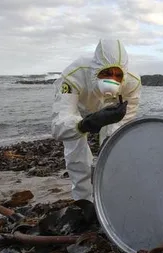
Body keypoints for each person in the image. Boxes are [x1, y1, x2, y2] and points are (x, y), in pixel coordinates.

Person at [51, 39, 142, 201]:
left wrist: (110, 138)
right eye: (106, 73)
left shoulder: (132, 83)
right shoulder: (74, 74)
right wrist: (85, 124)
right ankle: (83, 200)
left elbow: (125, 121)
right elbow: (59, 125)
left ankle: (109, 197)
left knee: (115, 147)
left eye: (118, 75)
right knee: (76, 152)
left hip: (110, 105)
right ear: (96, 69)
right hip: (78, 107)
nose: (112, 79)